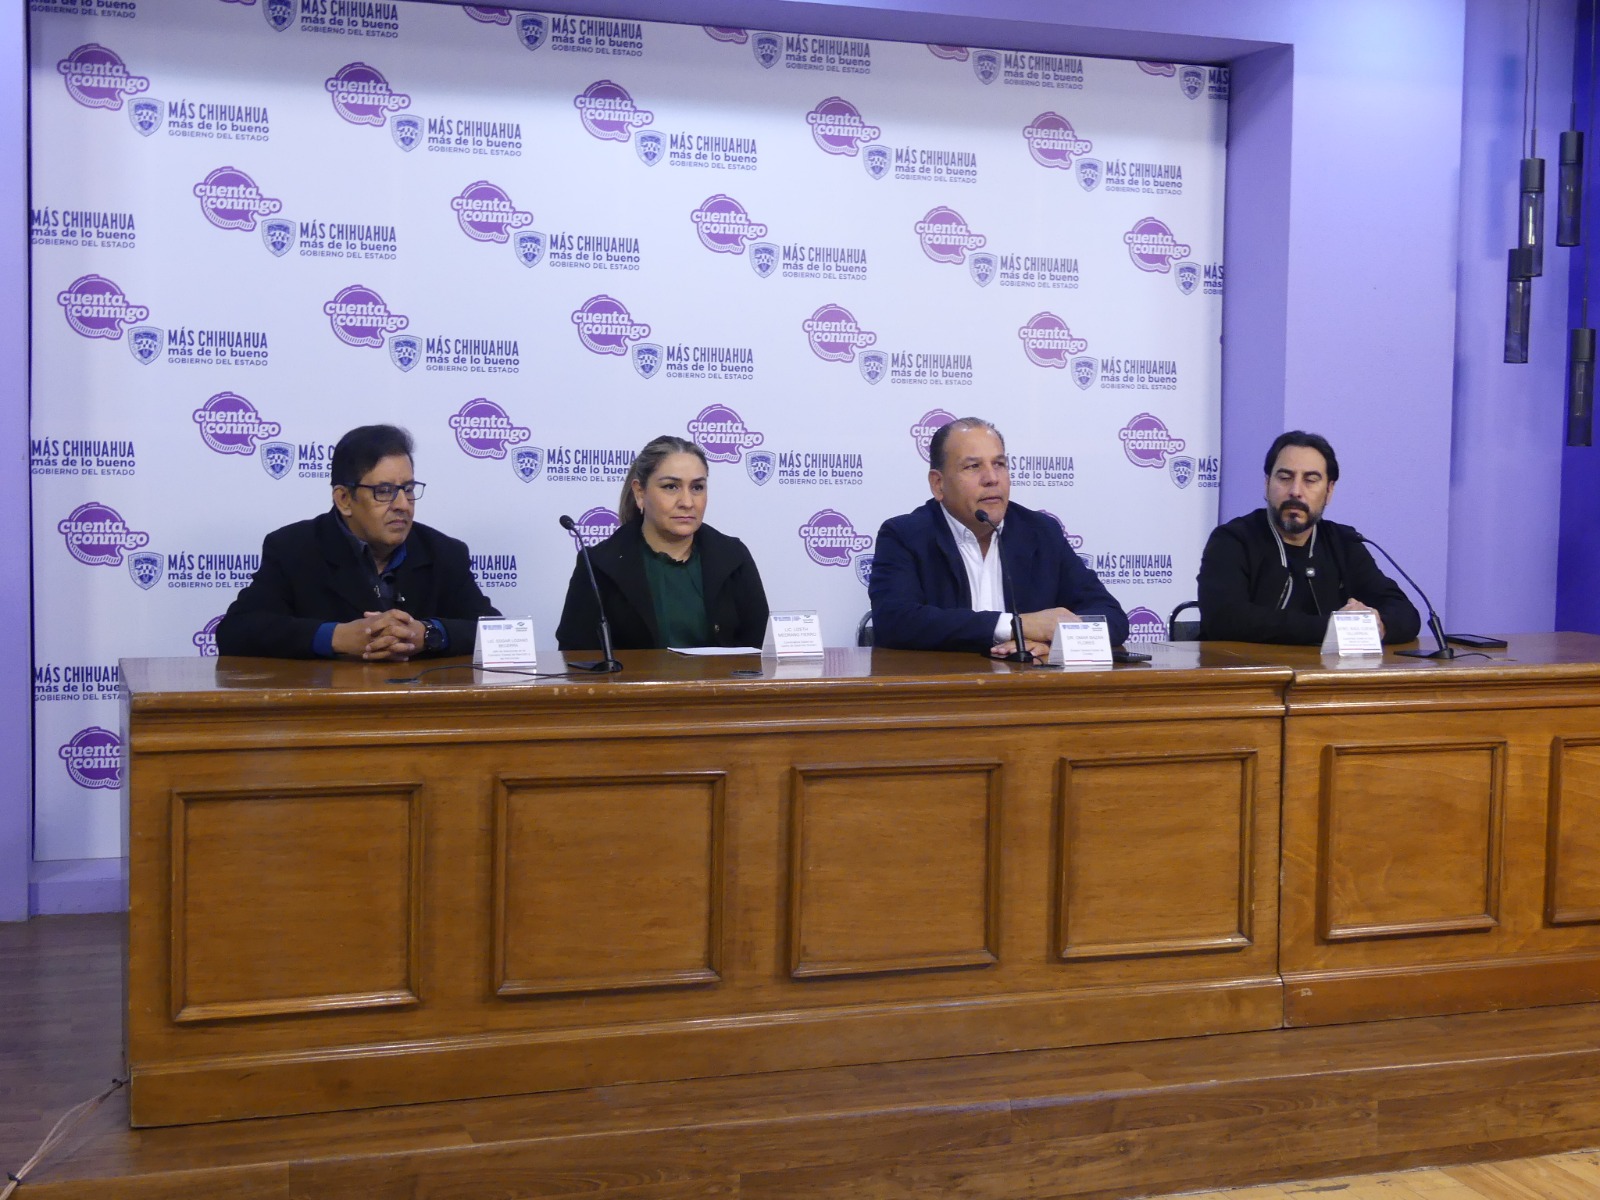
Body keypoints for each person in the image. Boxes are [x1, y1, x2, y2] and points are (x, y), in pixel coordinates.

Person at [216, 424, 499, 659]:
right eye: (384, 491)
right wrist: (336, 637)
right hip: (330, 704)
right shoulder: (293, 548)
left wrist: (428, 634)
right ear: (344, 499)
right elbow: (236, 631)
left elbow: (499, 634)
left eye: (408, 489)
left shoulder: (444, 552)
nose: (403, 504)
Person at [869, 417, 1127, 656]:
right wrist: (1016, 626)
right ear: (938, 484)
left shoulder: (1041, 532)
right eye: (973, 466)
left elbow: (1111, 617)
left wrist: (1052, 642)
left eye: (999, 464)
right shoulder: (905, 536)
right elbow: (895, 622)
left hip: (1027, 686)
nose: (992, 478)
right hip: (943, 686)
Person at [1196, 430, 1421, 644]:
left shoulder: (1345, 542)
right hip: (1246, 670)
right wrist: (1334, 627)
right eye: (1285, 478)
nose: (1296, 491)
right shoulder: (1232, 540)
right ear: (1267, 484)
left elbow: (1405, 613)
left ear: (1329, 490)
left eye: (1310, 480)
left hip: (1326, 671)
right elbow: (1225, 618)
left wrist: (1378, 625)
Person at [555, 435, 769, 650]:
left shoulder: (733, 556)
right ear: (640, 492)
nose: (687, 502)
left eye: (697, 488)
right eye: (671, 487)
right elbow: (575, 655)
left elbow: (761, 648)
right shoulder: (599, 564)